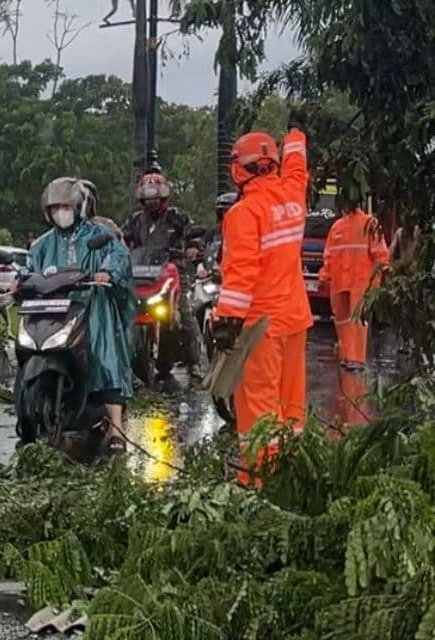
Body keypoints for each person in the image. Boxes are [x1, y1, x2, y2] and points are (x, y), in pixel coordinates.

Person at [213, 111, 312, 450]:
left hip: (261, 328)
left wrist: (226, 322)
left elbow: (241, 274)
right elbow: (297, 167)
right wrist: (296, 134)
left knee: (259, 416)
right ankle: (292, 474)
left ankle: (260, 487)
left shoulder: (243, 214)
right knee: (291, 410)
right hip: (295, 320)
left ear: (239, 169)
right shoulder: (292, 196)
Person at [29, 177, 135, 452]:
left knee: (105, 358)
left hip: (93, 307)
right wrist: (20, 281)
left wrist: (107, 272)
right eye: (54, 208)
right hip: (56, 310)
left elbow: (118, 256)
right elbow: (28, 269)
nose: (59, 212)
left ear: (78, 206)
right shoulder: (42, 244)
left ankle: (117, 430)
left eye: (65, 206)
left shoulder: (98, 235)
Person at [123, 171, 204, 381]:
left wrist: (193, 247)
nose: (151, 203)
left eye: (155, 199)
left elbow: (192, 233)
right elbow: (121, 238)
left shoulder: (176, 217)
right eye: (147, 200)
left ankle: (195, 362)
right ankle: (124, 362)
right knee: (124, 311)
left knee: (184, 316)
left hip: (172, 271)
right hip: (141, 273)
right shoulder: (135, 220)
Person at [321, 195, 391, 371]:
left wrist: (380, 278)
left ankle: (356, 358)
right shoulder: (338, 226)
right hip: (342, 281)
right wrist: (324, 276)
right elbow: (329, 255)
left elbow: (380, 255)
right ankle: (347, 356)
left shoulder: (370, 224)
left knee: (357, 321)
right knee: (343, 320)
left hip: (360, 281)